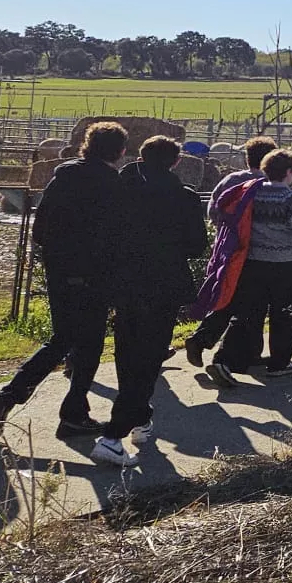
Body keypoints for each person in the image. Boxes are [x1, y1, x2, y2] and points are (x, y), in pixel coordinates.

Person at [0, 122, 128, 436]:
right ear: (120, 151)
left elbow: (42, 221)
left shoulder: (63, 175)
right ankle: (72, 412)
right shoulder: (111, 184)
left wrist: (51, 254)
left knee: (63, 338)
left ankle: (9, 396)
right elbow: (116, 235)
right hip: (93, 273)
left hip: (59, 268)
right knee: (88, 345)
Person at [92, 136, 207, 466]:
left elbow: (104, 235)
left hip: (123, 281)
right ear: (175, 162)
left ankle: (141, 418)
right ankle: (113, 435)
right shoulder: (181, 196)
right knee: (150, 357)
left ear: (140, 156)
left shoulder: (118, 189)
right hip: (163, 282)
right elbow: (196, 246)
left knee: (127, 351)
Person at [207, 148, 292, 385]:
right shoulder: (290, 197)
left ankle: (233, 358)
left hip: (254, 261)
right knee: (284, 314)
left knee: (250, 312)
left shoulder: (254, 193)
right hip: (285, 263)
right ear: (290, 172)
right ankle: (279, 362)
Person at [186, 135, 276, 366]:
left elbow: (213, 211)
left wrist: (225, 231)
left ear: (247, 159)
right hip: (256, 251)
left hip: (227, 248)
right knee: (251, 303)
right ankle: (212, 345)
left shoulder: (231, 180)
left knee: (228, 295)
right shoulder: (269, 186)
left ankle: (244, 350)